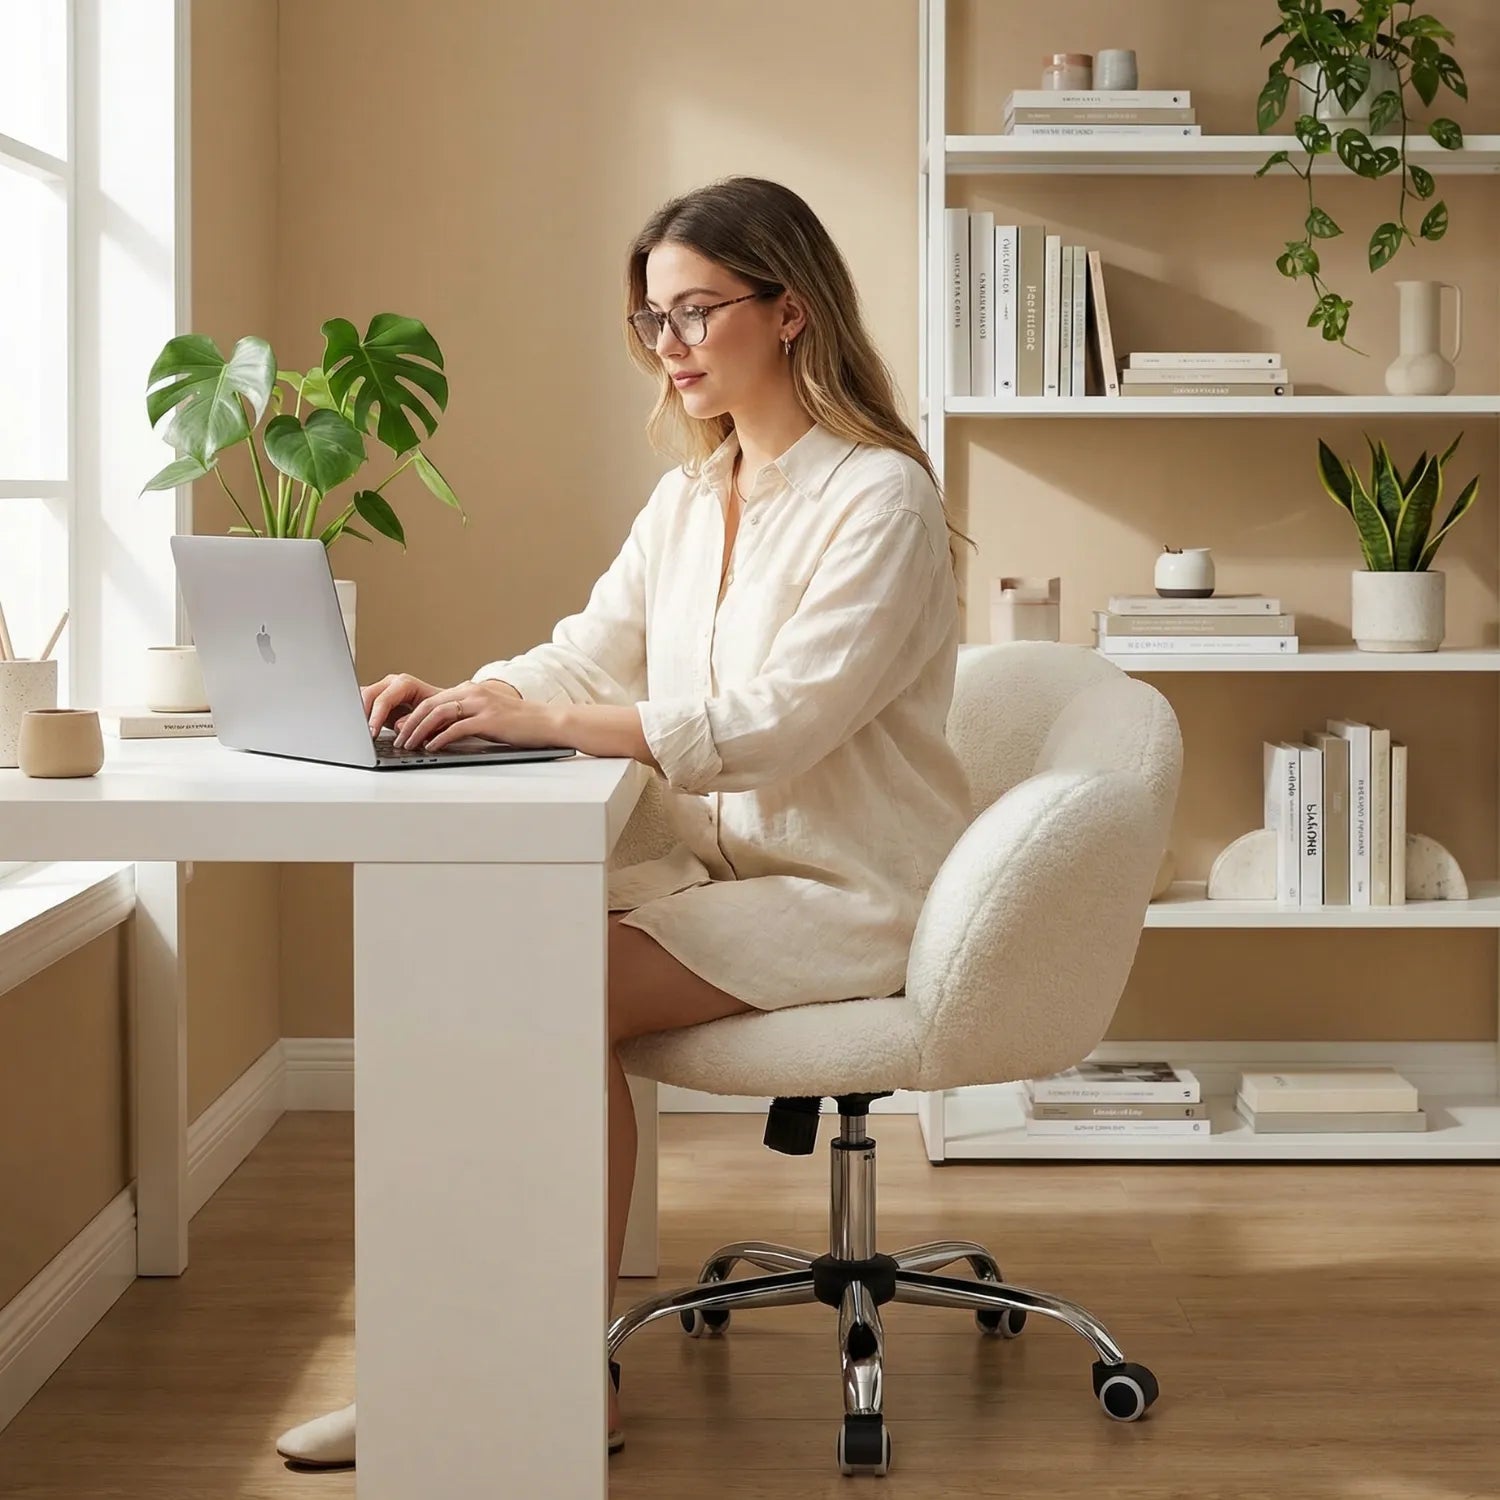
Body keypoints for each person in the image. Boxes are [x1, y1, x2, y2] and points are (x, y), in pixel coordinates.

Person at [273, 175, 973, 1469]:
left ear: (791, 310)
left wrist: (550, 723)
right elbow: (588, 651)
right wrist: (470, 697)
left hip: (847, 893)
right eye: (653, 319)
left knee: (541, 991)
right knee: (469, 972)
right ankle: (446, 1364)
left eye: (697, 311)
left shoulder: (881, 499)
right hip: (716, 877)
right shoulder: (692, 498)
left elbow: (780, 720)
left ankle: (549, 1377)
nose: (670, 344)